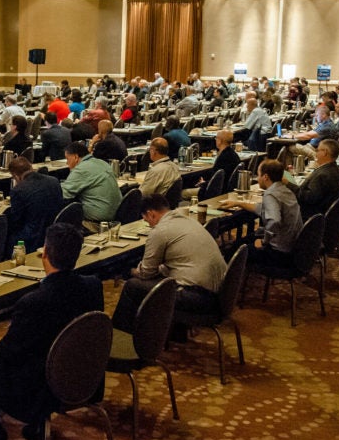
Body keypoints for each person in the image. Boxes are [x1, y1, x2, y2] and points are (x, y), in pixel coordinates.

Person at [0, 223, 103, 440]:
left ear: (45, 254)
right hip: (79, 377)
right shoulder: (93, 286)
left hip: (37, 387)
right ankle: (37, 424)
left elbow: (7, 354)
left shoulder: (33, 302)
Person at [111, 193, 227, 337]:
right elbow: (179, 263)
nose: (148, 224)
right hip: (221, 294)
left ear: (151, 214)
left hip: (199, 298)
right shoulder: (188, 221)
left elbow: (146, 273)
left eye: (146, 220)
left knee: (133, 286)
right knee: (158, 280)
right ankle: (173, 334)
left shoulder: (160, 231)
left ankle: (120, 336)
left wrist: (129, 270)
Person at [220, 160, 302, 268]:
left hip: (278, 253)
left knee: (234, 251)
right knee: (242, 241)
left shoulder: (270, 194)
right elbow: (263, 209)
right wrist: (238, 203)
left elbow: (274, 220)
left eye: (258, 175)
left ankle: (226, 275)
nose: (257, 179)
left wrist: (264, 241)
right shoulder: (285, 191)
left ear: (265, 177)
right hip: (292, 246)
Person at [6, 156, 62, 251]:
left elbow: (16, 221)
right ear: (31, 167)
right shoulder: (54, 181)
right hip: (54, 232)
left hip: (31, 238)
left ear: (15, 176)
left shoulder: (18, 190)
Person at [61, 142, 121, 229]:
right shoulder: (102, 163)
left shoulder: (81, 169)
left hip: (96, 222)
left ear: (75, 157)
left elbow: (63, 194)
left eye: (67, 159)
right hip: (116, 216)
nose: (67, 163)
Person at [286, 139, 339, 218]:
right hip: (320, 213)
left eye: (317, 150)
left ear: (325, 152)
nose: (316, 153)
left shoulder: (323, 174)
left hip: (309, 216)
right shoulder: (334, 170)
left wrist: (288, 183)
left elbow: (308, 198)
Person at [185, 129, 239, 201]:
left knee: (183, 193)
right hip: (225, 189)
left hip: (216, 191)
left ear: (220, 141)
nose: (215, 140)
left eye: (216, 138)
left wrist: (204, 183)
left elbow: (218, 180)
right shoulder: (232, 154)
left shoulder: (224, 157)